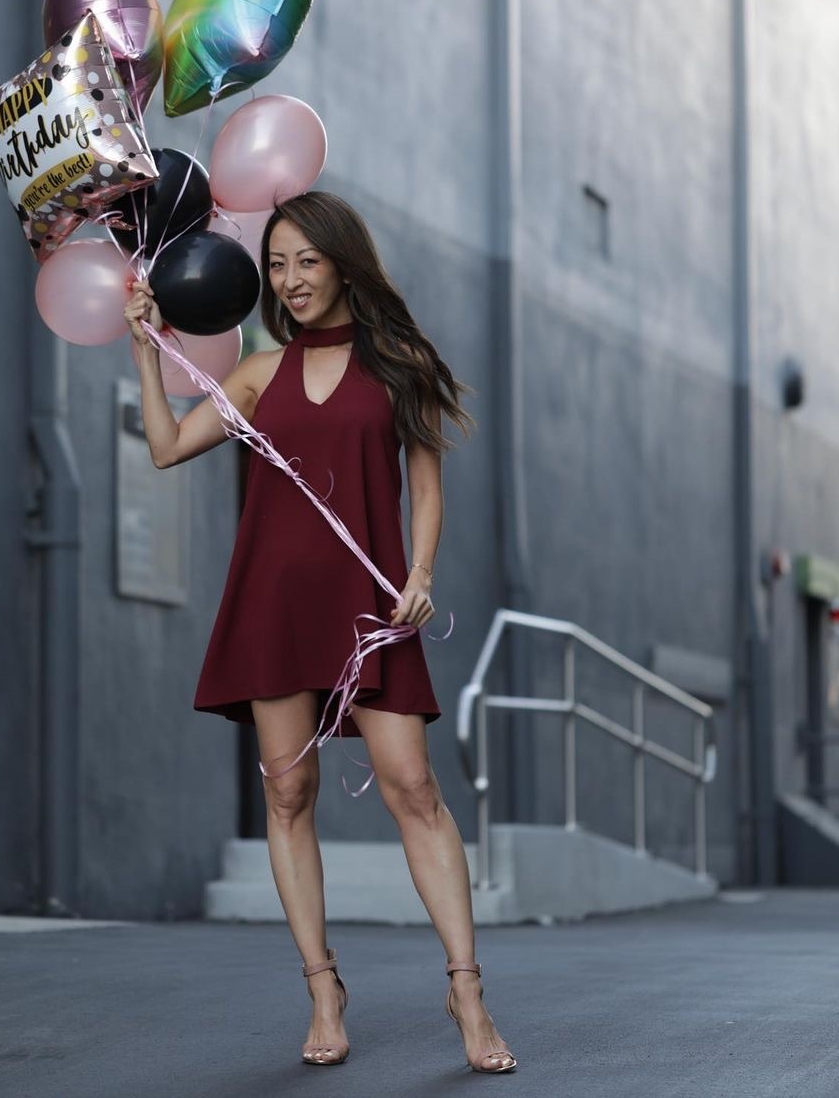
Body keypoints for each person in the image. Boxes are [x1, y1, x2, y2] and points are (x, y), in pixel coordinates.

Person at [124, 191, 516, 1075]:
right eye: (276, 265)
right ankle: (322, 989)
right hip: (273, 603)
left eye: (306, 260)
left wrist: (420, 575)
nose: (290, 279)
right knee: (289, 796)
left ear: (343, 262)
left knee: (413, 786)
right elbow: (165, 446)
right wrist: (145, 346)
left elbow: (426, 487)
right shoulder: (259, 374)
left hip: (370, 609)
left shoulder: (400, 364)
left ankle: (466, 989)